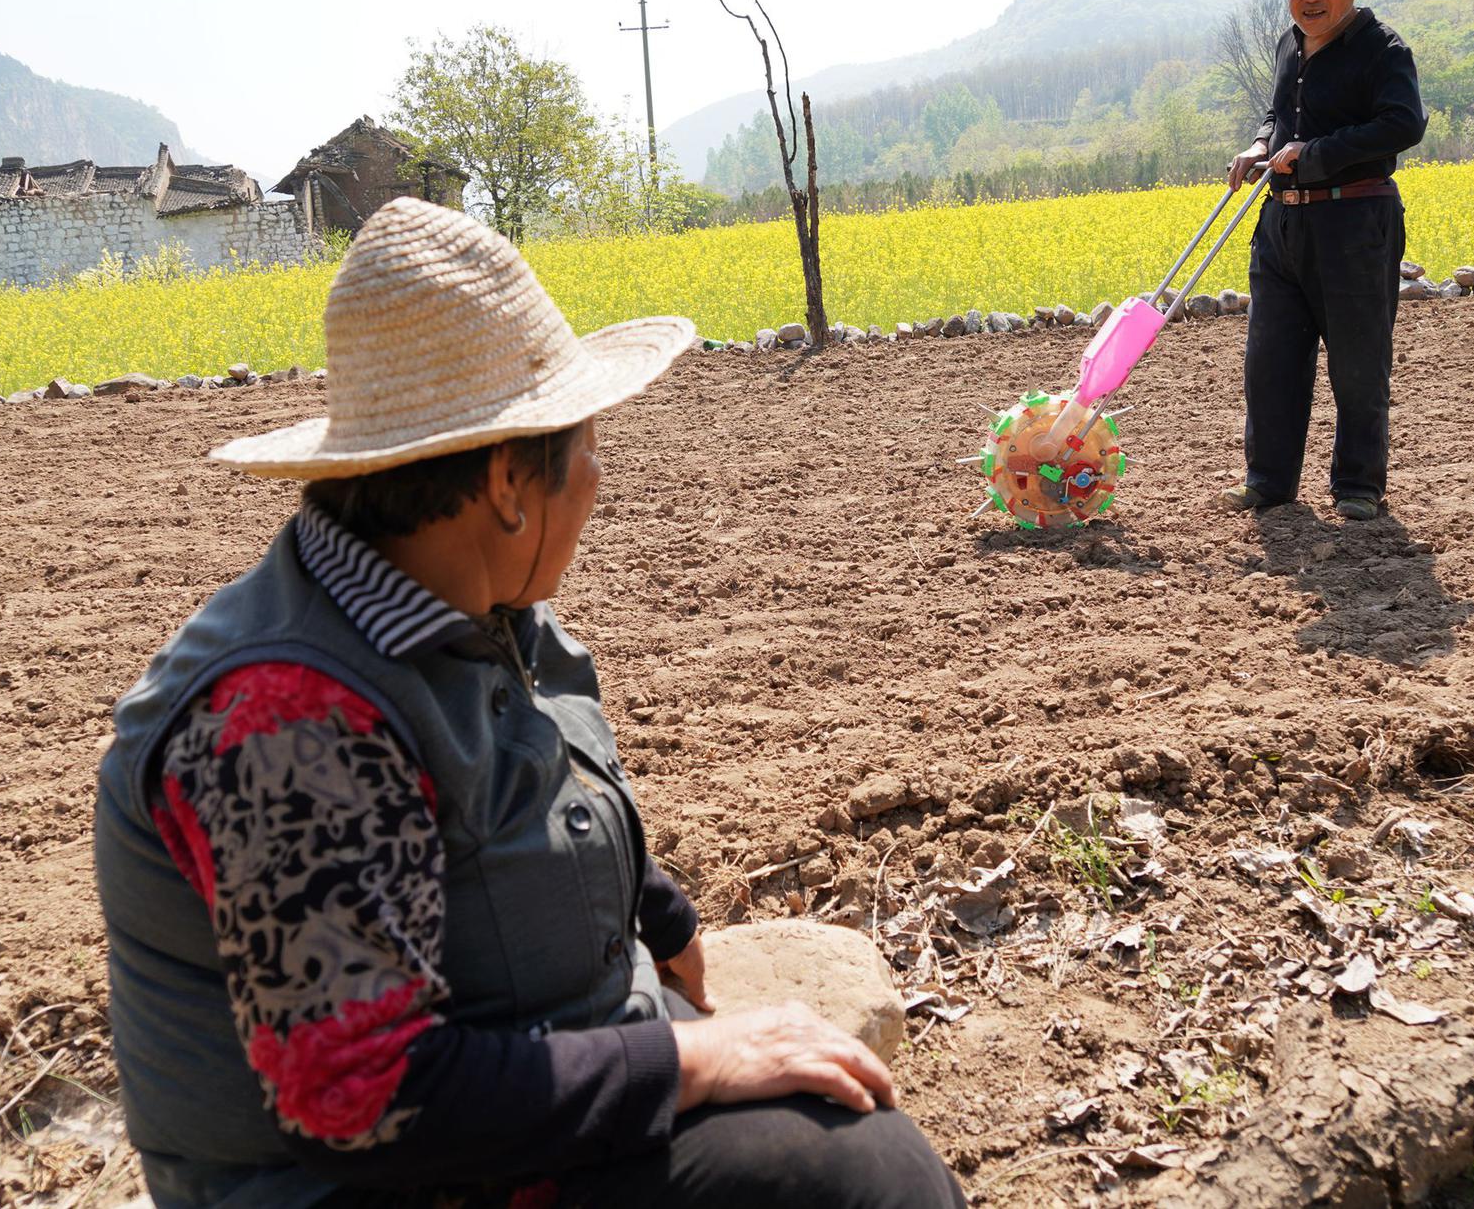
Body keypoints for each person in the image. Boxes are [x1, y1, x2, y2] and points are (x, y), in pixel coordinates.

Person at [93, 199, 965, 1209]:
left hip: (527, 1072)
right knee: (859, 1184)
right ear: (508, 479)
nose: (597, 474)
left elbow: (527, 794)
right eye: (585, 440)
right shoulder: (286, 722)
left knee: (849, 1137)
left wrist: (660, 915)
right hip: (380, 1179)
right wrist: (694, 1063)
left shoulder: (465, 602)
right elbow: (361, 1101)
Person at [1221, 0, 1427, 521]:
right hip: (1281, 224)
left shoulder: (1384, 49)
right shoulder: (1289, 43)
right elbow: (1279, 113)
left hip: (1355, 220)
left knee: (1358, 361)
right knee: (1271, 358)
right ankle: (1269, 481)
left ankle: (1358, 486)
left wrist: (1314, 155)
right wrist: (1262, 144)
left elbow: (1402, 124)